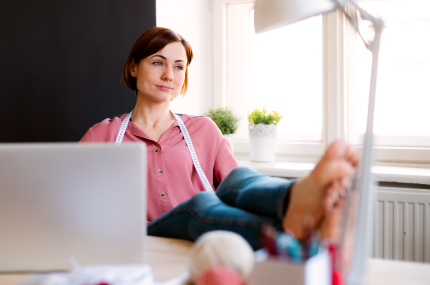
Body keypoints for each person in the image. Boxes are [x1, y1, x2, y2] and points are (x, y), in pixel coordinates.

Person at [80, 27, 358, 249]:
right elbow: (71, 201)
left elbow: (237, 192)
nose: (169, 75)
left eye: (179, 67)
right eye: (157, 62)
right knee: (199, 205)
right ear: (133, 68)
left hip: (207, 222)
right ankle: (298, 228)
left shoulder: (203, 129)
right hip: (140, 235)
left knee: (235, 180)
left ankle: (294, 198)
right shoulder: (103, 135)